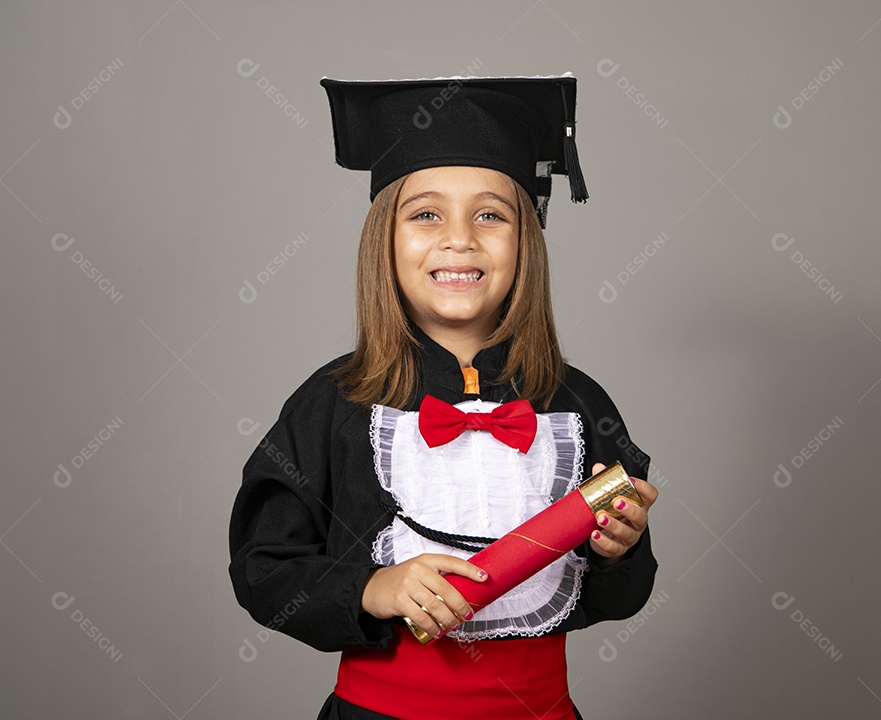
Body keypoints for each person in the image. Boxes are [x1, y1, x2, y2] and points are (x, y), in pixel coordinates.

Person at [228, 73, 659, 720]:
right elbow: (265, 569)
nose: (459, 238)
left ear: (526, 243)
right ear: (385, 239)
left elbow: (620, 597)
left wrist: (616, 548)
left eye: (491, 215)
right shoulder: (335, 402)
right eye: (426, 213)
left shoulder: (579, 404)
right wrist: (375, 587)